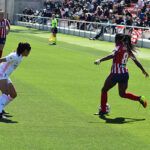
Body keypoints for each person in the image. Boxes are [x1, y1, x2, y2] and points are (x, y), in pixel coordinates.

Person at [94, 34, 149, 116]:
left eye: (115, 40)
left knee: (104, 90)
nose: (114, 42)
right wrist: (143, 70)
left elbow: (112, 55)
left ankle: (103, 110)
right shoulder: (128, 49)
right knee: (122, 94)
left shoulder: (118, 46)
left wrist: (100, 60)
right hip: (124, 74)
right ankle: (140, 98)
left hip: (115, 74)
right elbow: (136, 61)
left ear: (118, 40)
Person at [0, 42, 31, 119]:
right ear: (25, 51)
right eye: (28, 51)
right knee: (5, 93)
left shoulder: (20, 56)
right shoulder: (14, 56)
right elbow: (1, 60)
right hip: (1, 74)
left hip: (6, 76)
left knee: (13, 94)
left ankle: (1, 107)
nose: (29, 53)